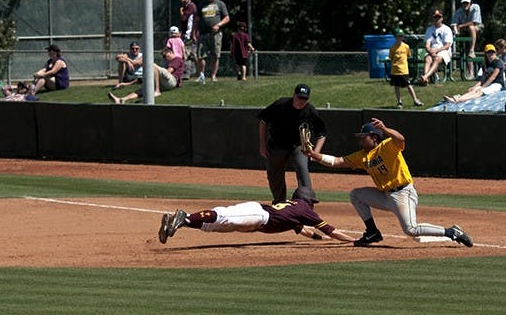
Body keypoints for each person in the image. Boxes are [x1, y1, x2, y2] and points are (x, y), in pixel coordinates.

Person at [304, 118, 474, 248]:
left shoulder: (387, 146)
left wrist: (384, 129)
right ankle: (372, 232)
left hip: (402, 193)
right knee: (356, 195)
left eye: (364, 138)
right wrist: (313, 154)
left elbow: (401, 139)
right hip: (385, 195)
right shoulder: (362, 156)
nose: (360, 141)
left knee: (411, 230)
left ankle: (452, 232)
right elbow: (336, 161)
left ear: (374, 137)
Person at [158, 186, 356, 245]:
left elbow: (302, 230)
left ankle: (181, 223)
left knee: (216, 226)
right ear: (308, 200)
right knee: (225, 216)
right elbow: (332, 231)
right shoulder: (303, 209)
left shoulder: (294, 212)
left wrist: (315, 238)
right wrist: (354, 240)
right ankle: (185, 216)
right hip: (259, 214)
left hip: (257, 222)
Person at [258, 84, 326, 204]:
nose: (301, 101)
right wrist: (262, 146)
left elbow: (321, 134)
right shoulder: (281, 104)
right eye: (299, 97)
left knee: (302, 170)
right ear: (293, 95)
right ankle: (279, 203)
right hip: (277, 144)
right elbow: (263, 121)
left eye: (304, 99)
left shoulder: (310, 110)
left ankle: (306, 204)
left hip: (298, 146)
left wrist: (316, 152)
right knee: (274, 176)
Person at [108, 47, 184, 103]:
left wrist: (156, 71)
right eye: (163, 57)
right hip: (164, 83)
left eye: (165, 56)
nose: (164, 58)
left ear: (170, 52)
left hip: (172, 81)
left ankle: (157, 91)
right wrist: (126, 84)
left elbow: (168, 71)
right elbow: (142, 78)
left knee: (151, 65)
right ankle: (122, 99)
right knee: (144, 89)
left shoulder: (177, 59)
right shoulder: (167, 63)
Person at [192, 0, 230, 84]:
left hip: (216, 34)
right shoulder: (201, 5)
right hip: (203, 33)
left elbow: (227, 18)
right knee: (201, 55)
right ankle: (202, 75)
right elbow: (196, 20)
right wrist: (194, 32)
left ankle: (213, 76)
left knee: (215, 55)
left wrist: (218, 25)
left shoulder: (220, 4)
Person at [389, 28, 424, 108]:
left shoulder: (406, 46)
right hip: (395, 71)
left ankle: (415, 100)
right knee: (397, 86)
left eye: (401, 37)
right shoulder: (392, 48)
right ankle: (399, 102)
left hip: (404, 70)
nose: (400, 38)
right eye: (398, 37)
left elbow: (408, 55)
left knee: (409, 85)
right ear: (395, 37)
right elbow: (391, 58)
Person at [451, 0, 483, 78]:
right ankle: (471, 73)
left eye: (467, 3)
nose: (465, 5)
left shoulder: (476, 7)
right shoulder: (458, 11)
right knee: (466, 51)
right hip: (465, 30)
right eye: (463, 3)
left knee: (471, 27)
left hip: (477, 28)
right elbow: (454, 23)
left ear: (470, 3)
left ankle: (472, 49)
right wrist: (455, 29)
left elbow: (474, 22)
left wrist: (460, 26)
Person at [420, 9, 453, 85]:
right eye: (435, 17)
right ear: (433, 18)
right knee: (427, 58)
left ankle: (425, 77)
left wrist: (436, 51)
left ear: (442, 18)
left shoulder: (447, 29)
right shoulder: (429, 30)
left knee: (437, 58)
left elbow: (447, 46)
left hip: (444, 51)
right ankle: (426, 80)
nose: (437, 19)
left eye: (439, 17)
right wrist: (431, 52)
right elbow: (427, 45)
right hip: (432, 50)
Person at [178, 0, 198, 79]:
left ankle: (199, 72)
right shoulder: (185, 6)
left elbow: (184, 18)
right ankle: (189, 74)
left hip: (190, 34)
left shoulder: (190, 6)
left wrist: (181, 11)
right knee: (189, 55)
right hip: (187, 34)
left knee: (189, 54)